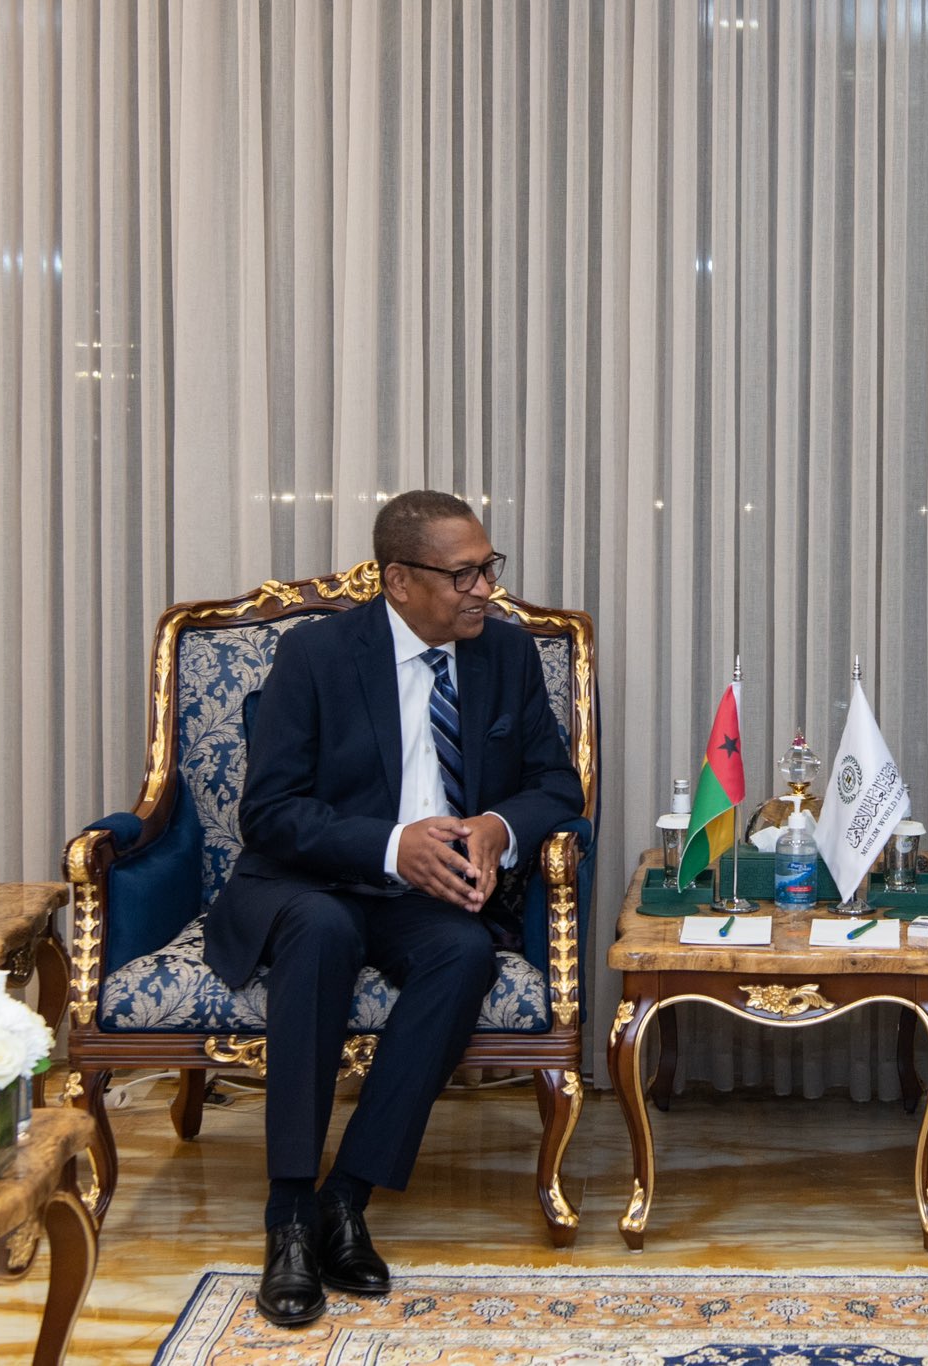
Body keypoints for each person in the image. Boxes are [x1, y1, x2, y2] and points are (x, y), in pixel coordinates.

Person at [204, 489, 583, 1329]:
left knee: (463, 954)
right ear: (399, 581)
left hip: (428, 895)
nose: (486, 587)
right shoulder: (318, 656)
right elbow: (267, 812)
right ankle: (290, 1215)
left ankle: (347, 1196)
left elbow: (559, 786)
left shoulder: (506, 658)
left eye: (490, 567)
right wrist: (390, 844)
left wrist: (494, 827)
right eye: (464, 574)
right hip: (312, 882)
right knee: (322, 930)